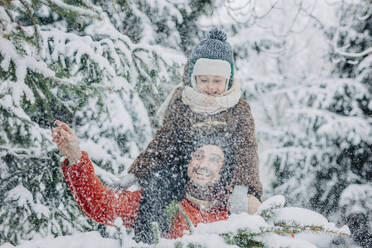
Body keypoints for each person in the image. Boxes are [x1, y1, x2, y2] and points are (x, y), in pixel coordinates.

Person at [126, 27, 262, 213]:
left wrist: (241, 187)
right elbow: (164, 143)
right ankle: (152, 238)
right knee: (157, 185)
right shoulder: (183, 105)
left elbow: (246, 149)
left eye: (217, 81)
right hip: (185, 174)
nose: (210, 87)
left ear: (228, 81)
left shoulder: (238, 109)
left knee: (250, 206)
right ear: (193, 79)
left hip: (226, 176)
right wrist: (136, 172)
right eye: (204, 80)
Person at [52, 121, 235, 243]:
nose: (203, 165)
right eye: (198, 156)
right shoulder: (159, 197)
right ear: (188, 162)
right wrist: (76, 158)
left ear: (223, 170)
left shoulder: (235, 212)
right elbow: (103, 206)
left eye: (214, 160)